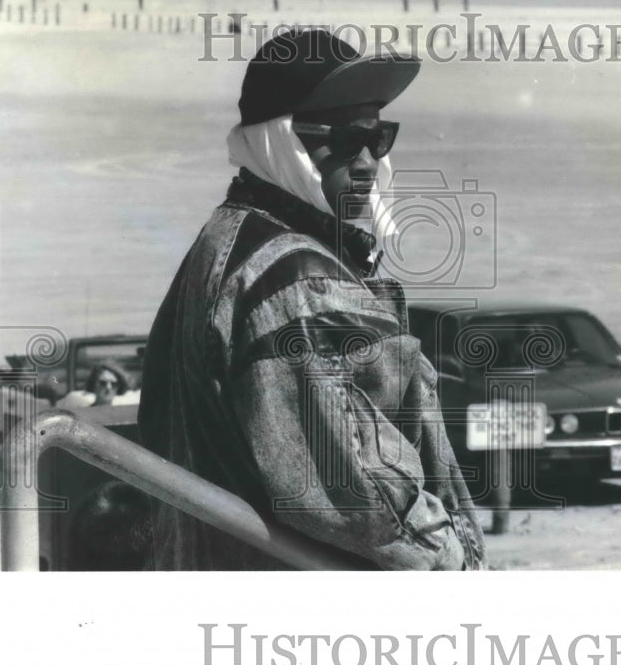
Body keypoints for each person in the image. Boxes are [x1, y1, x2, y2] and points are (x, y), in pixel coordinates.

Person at [138, 28, 485, 570]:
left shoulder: (233, 236)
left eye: (379, 138)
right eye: (343, 141)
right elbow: (363, 497)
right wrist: (458, 566)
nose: (367, 161)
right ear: (283, 143)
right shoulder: (298, 279)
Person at [57, 360, 137, 409]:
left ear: (119, 388)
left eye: (114, 384)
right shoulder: (83, 414)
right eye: (103, 383)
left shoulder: (123, 414)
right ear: (94, 385)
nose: (108, 387)